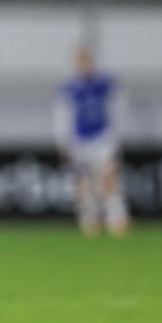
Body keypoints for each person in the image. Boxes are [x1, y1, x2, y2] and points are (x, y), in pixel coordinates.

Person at [54, 46, 130, 237]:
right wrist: (64, 142)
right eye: (80, 61)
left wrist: (116, 137)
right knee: (83, 181)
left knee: (108, 177)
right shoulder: (70, 88)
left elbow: (117, 111)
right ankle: (89, 221)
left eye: (86, 60)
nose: (84, 64)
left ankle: (116, 219)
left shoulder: (105, 84)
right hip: (80, 140)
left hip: (102, 137)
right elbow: (62, 116)